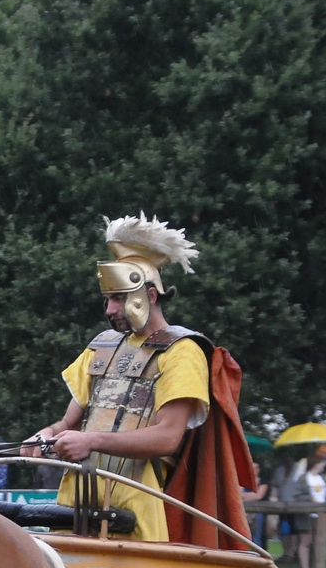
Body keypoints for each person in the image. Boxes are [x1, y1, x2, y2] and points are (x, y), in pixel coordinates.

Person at [25, 215, 210, 541]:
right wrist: (44, 436)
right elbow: (68, 424)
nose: (110, 310)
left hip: (135, 497)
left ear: (150, 296)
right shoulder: (102, 346)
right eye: (108, 299)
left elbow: (167, 438)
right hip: (77, 493)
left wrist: (90, 441)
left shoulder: (181, 351)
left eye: (119, 298)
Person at [292, 444, 326, 568]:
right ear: (315, 464)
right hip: (306, 514)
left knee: (319, 541)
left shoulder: (323, 478)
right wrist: (311, 500)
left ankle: (319, 567)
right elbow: (297, 496)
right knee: (306, 540)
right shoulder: (303, 478)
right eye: (320, 463)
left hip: (322, 514)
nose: (323, 465)